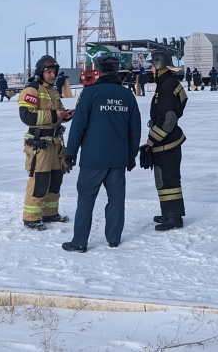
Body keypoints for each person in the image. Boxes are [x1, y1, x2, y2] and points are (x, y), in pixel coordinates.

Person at [61, 55, 141, 252]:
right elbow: (135, 129)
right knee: (116, 199)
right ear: (116, 70)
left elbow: (78, 126)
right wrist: (131, 156)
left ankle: (79, 241)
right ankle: (113, 238)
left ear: (97, 69)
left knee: (86, 200)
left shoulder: (90, 93)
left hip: (93, 159)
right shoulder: (127, 95)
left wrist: (70, 153)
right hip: (118, 158)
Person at [17, 55, 74, 230]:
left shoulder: (53, 90)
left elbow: (58, 111)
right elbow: (26, 116)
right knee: (39, 180)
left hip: (55, 142)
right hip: (39, 144)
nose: (51, 75)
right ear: (41, 72)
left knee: (55, 179)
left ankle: (50, 213)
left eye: (54, 72)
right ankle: (31, 217)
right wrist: (54, 115)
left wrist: (65, 115)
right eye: (48, 72)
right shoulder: (31, 90)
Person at [143, 50, 187, 231]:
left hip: (166, 142)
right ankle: (168, 213)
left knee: (168, 180)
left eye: (152, 67)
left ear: (159, 65)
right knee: (164, 178)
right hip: (168, 141)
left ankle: (174, 218)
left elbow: (168, 119)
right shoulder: (168, 83)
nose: (151, 70)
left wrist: (152, 139)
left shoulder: (167, 87)